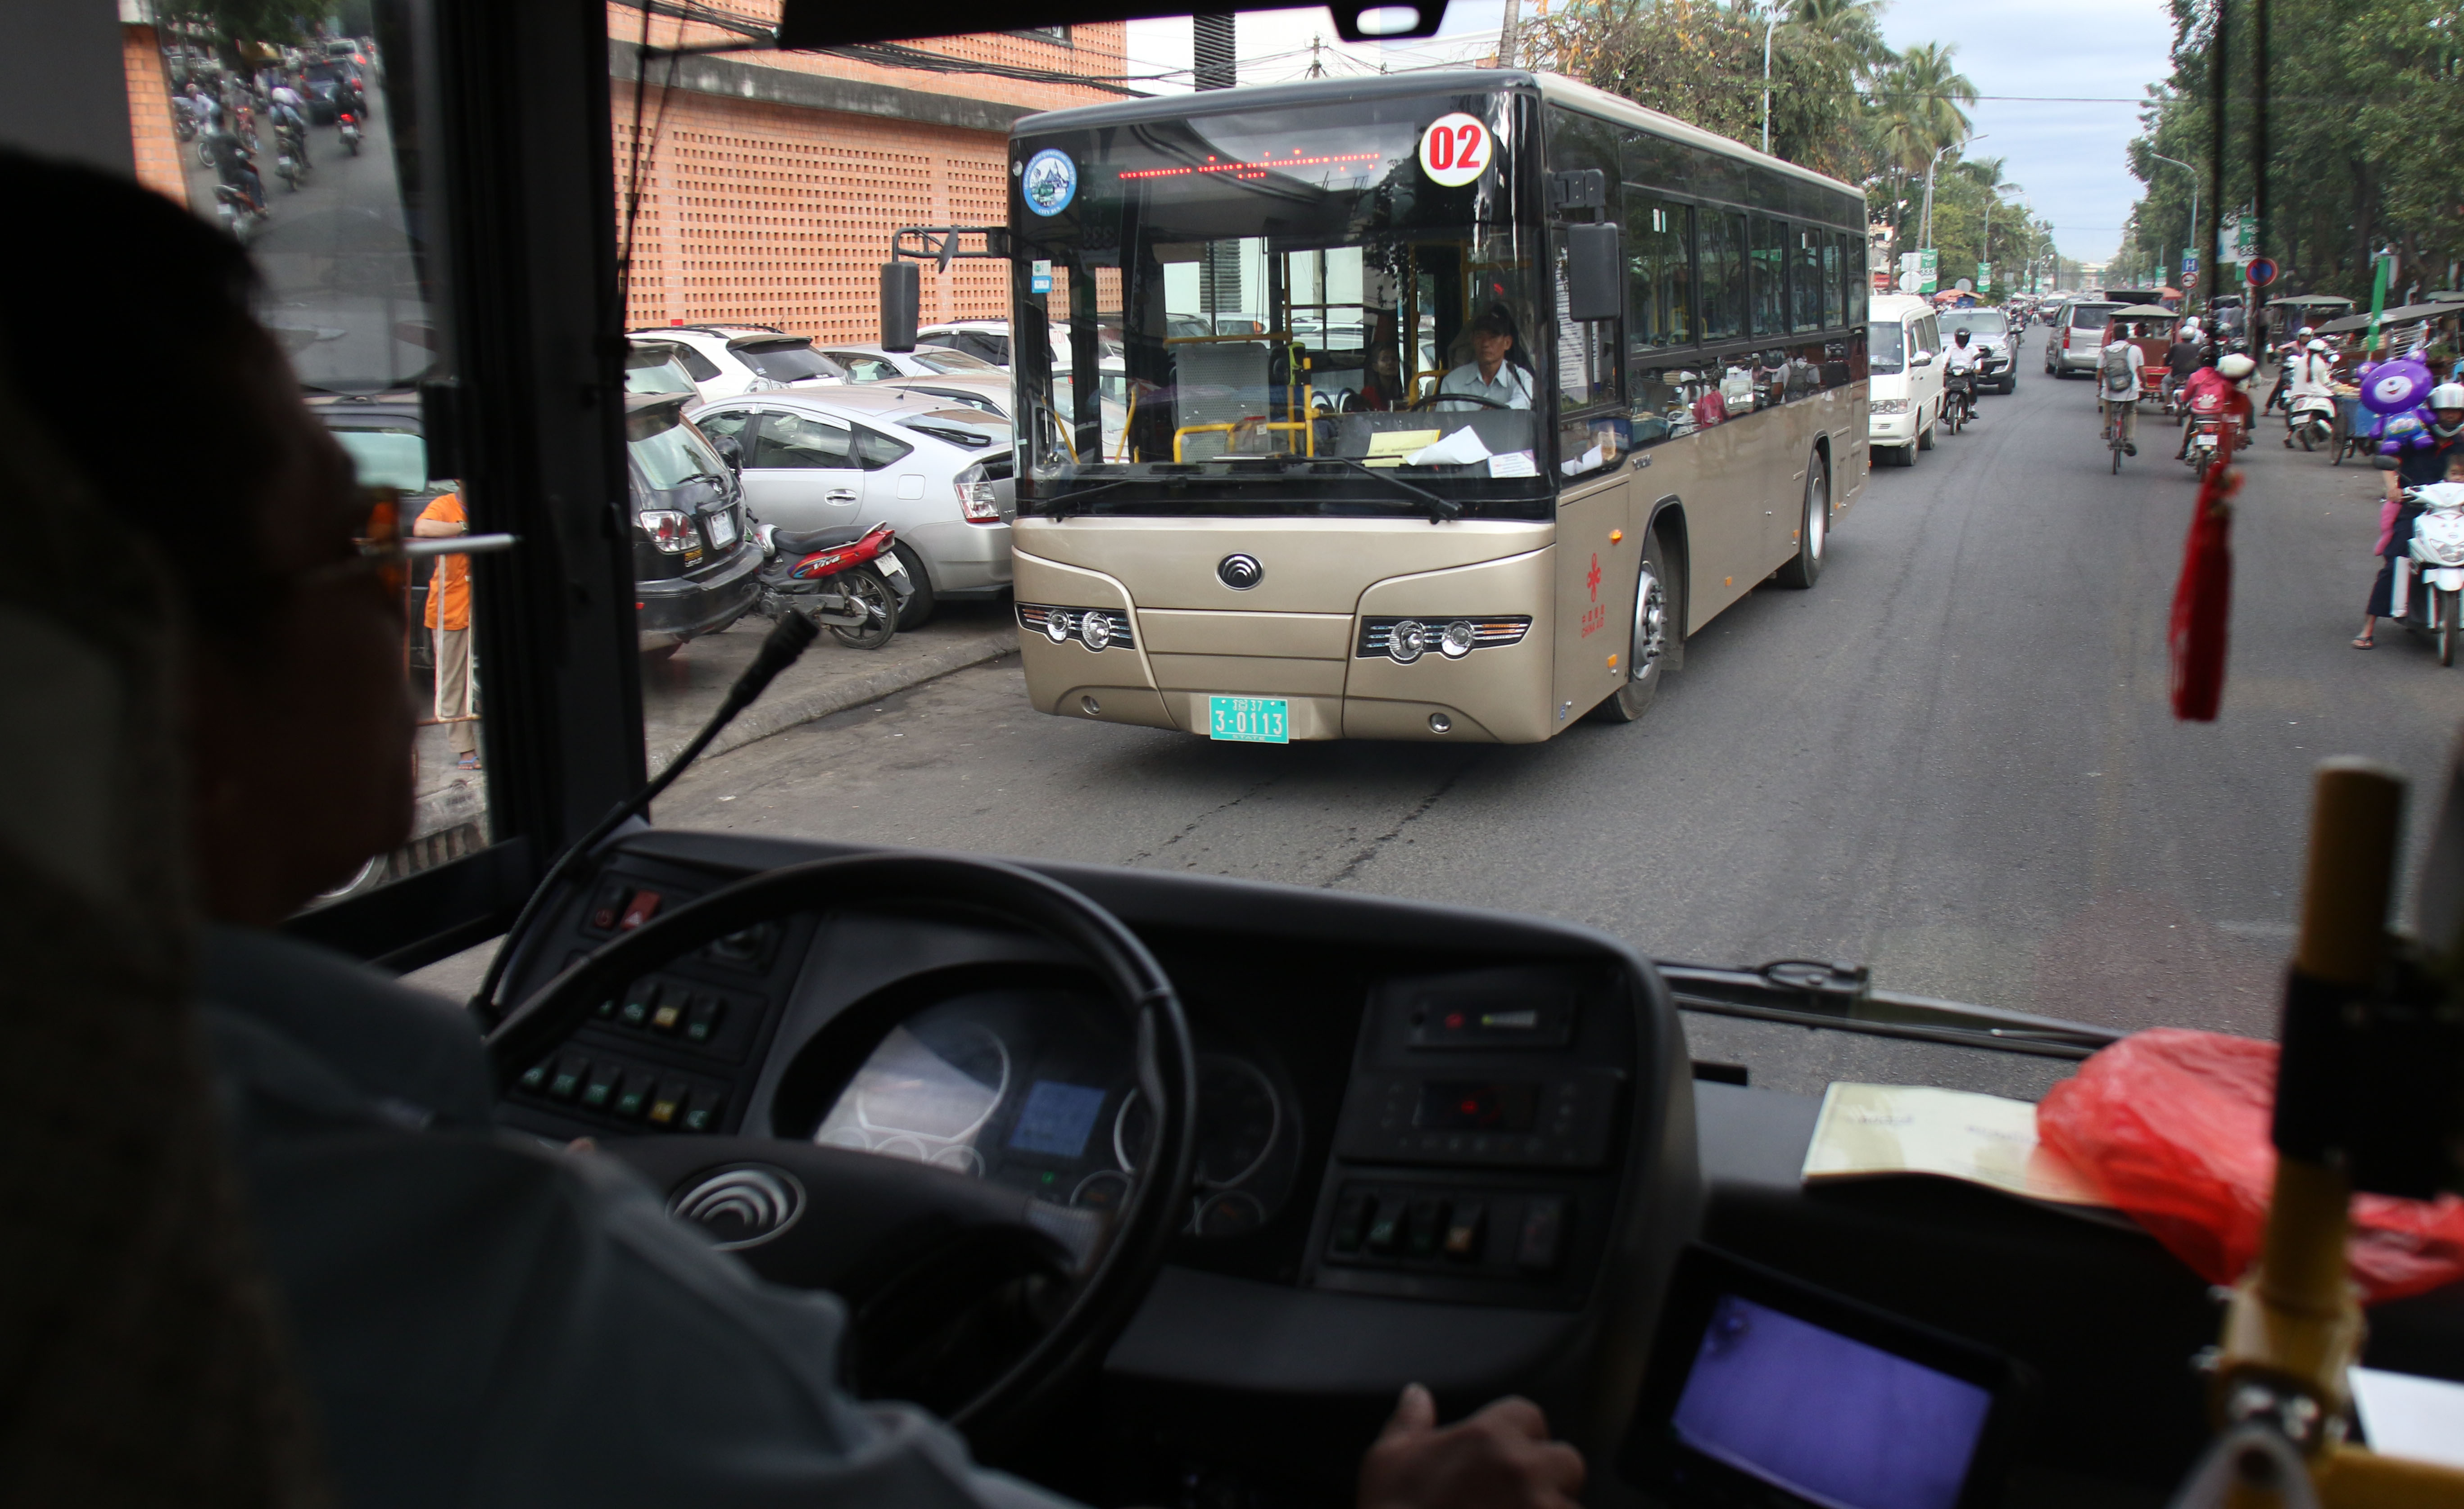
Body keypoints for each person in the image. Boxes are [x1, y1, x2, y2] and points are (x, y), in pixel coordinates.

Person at [1, 147, 1584, 1509]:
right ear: (131, 692)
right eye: (352, 532)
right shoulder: (461, 1278)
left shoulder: (242, 1172)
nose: (394, 583)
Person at [2358, 384, 2464, 647]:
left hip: (2455, 511)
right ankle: (2368, 627)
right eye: (2446, 411)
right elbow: (2390, 460)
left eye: (2457, 412)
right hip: (2415, 510)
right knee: (2396, 563)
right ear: (2433, 412)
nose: (2451, 416)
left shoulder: (2462, 444)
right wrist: (2392, 488)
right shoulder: (2412, 436)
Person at [417, 481, 480, 768]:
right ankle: (466, 752)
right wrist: (464, 529)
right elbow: (422, 528)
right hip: (452, 608)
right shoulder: (445, 506)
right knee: (453, 682)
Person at [1431, 304, 1535, 457]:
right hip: (1463, 458)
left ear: (1507, 343)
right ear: (1473, 340)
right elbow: (1443, 426)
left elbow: (1523, 403)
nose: (1486, 343)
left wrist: (1498, 413)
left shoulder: (1520, 378)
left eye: (1493, 337)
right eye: (1480, 336)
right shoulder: (1453, 381)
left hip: (1508, 456)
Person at [2097, 325, 2144, 457]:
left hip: (2111, 390)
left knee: (2107, 406)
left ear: (2114, 336)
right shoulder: (2136, 350)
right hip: (2131, 390)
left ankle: (2108, 430)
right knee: (2130, 411)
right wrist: (2144, 384)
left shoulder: (2105, 351)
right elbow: (2142, 372)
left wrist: (2100, 387)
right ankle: (2129, 438)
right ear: (2128, 336)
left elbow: (2099, 374)